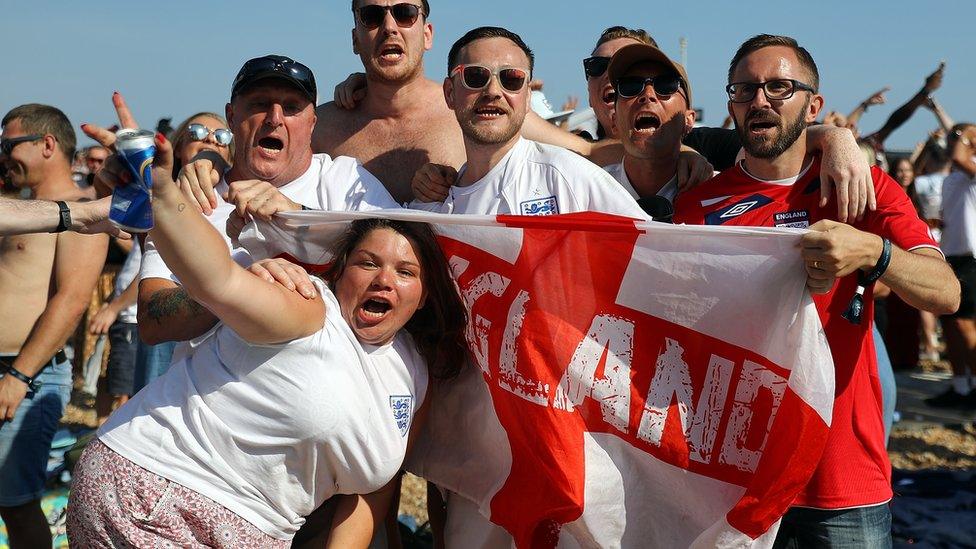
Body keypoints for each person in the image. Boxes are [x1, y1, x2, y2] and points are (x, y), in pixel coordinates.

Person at [66, 128, 468, 547]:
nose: (384, 280)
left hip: (254, 530)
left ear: (423, 297)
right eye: (368, 264)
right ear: (340, 269)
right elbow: (217, 280)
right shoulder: (309, 306)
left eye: (405, 273)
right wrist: (164, 196)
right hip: (159, 495)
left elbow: (370, 496)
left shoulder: (415, 371)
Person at [673, 34, 959, 547]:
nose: (760, 101)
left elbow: (946, 294)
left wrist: (875, 254)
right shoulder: (698, 207)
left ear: (814, 104)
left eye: (779, 87)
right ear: (731, 104)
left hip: (841, 479)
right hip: (737, 482)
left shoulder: (861, 186)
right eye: (745, 90)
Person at [409, 26, 648, 548]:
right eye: (475, 77)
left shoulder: (567, 177)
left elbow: (662, 263)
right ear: (449, 92)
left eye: (510, 78)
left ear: (527, 93)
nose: (493, 90)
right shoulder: (427, 210)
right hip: (478, 460)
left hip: (573, 448)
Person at [85, 56, 400, 351]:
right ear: (232, 116)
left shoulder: (345, 181)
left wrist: (299, 218)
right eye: (259, 104)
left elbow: (409, 263)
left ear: (312, 123)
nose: (274, 119)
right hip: (213, 400)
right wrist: (242, 284)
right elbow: (153, 321)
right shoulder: (192, 198)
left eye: (291, 107)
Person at [0, 104, 109, 549]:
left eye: (9, 144)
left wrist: (18, 375)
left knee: (16, 502)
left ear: (47, 145)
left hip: (24, 375)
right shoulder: (22, 209)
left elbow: (72, 298)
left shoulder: (85, 210)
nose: (4, 155)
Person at [601, 42, 697, 209]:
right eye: (629, 86)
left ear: (688, 120)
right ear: (615, 121)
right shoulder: (585, 194)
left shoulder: (723, 197)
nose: (648, 94)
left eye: (666, 84)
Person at [927, 123, 976, 409]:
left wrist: (966, 134)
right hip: (950, 254)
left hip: (971, 258)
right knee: (950, 324)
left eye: (955, 138)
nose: (951, 142)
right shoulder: (951, 178)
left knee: (966, 324)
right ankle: (960, 387)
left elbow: (959, 155)